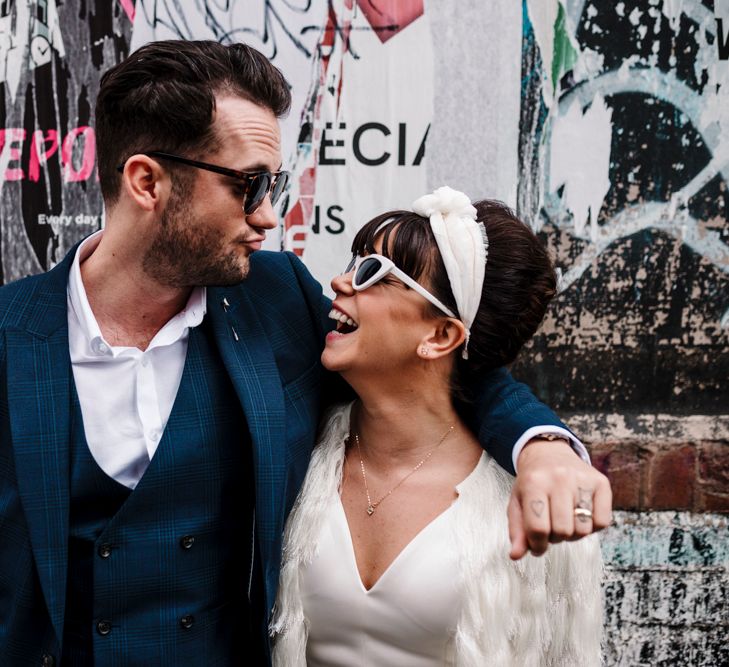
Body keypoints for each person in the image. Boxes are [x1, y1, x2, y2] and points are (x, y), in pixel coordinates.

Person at [0, 41, 608, 665]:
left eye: (276, 185)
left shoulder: (277, 299)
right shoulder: (10, 334)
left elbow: (438, 371)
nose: (269, 216)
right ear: (147, 181)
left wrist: (543, 447)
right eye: (249, 185)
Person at [271, 188, 604, 665]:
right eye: (354, 262)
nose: (341, 282)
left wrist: (545, 446)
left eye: (373, 274)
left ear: (441, 335)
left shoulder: (532, 501)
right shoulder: (299, 447)